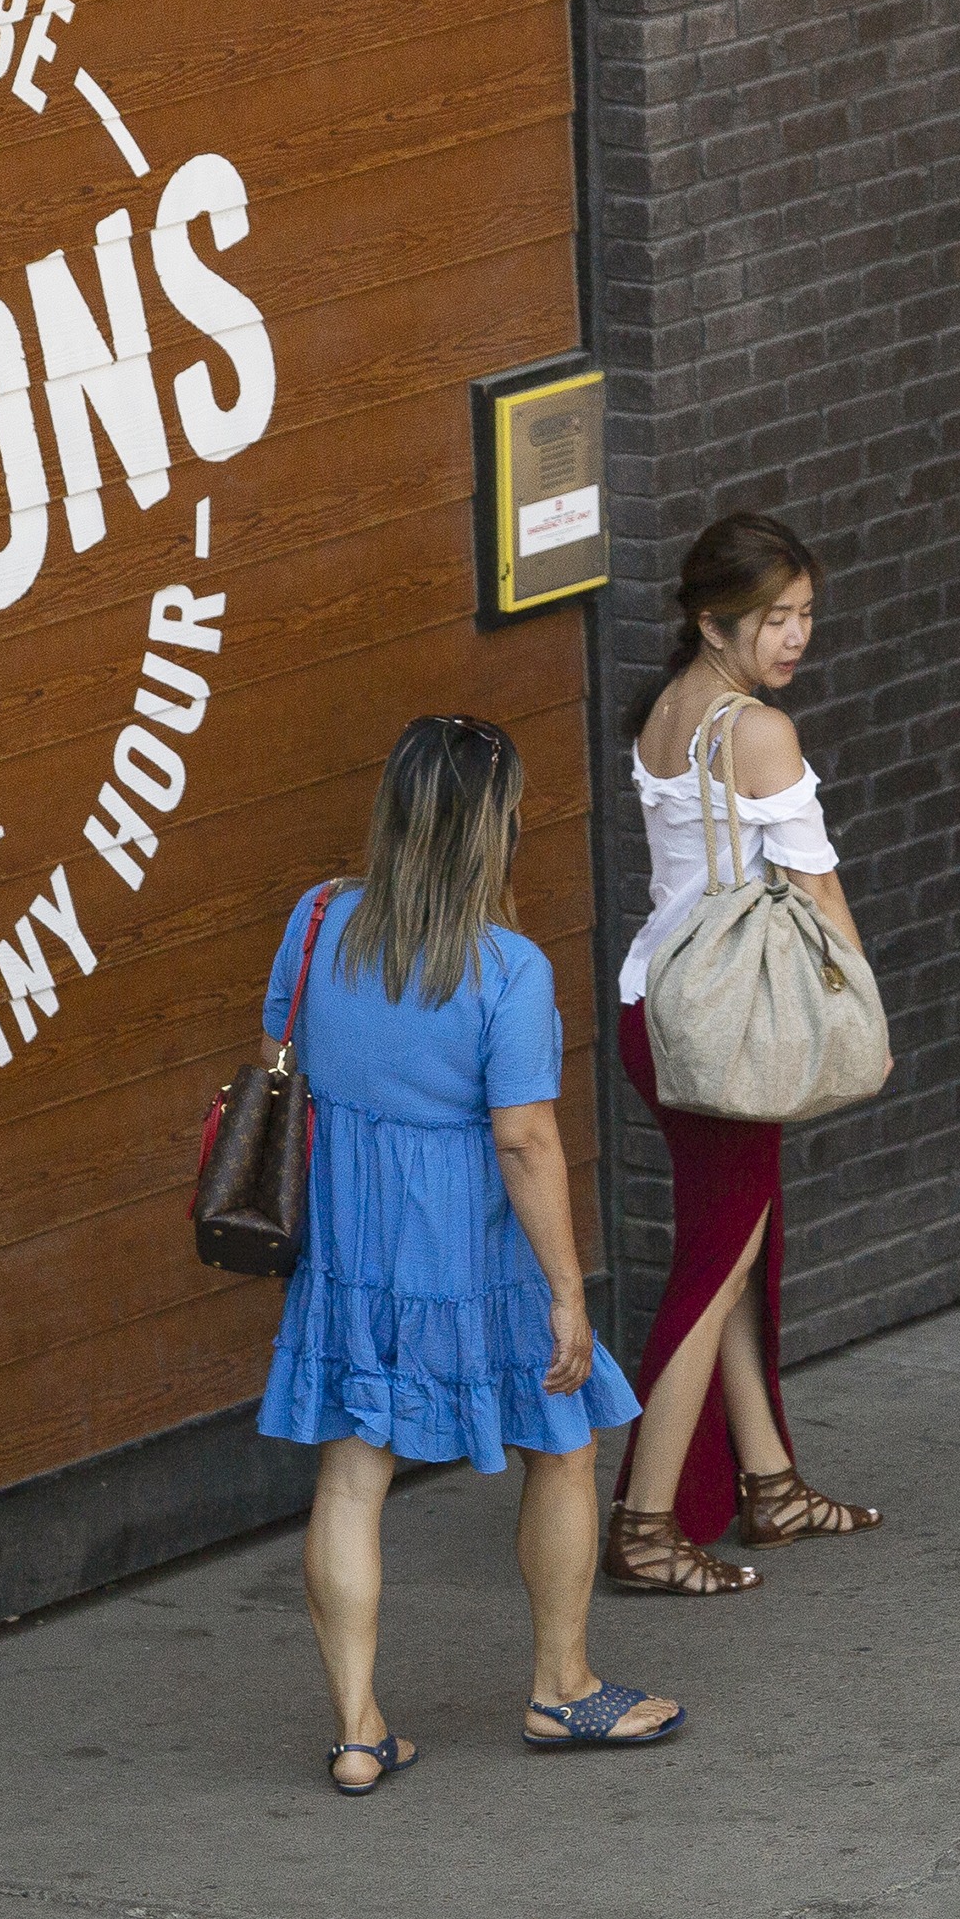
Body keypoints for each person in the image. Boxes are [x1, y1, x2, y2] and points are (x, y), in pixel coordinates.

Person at [256, 715, 679, 1792]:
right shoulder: (508, 970)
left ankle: (357, 1729)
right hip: (473, 1251)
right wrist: (566, 1292)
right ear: (495, 830)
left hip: (353, 1250)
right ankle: (563, 1688)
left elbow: (279, 1066)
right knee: (566, 1439)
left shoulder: (314, 924)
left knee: (353, 1475)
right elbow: (525, 1139)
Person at [608, 512, 888, 1594]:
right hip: (732, 1024)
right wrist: (861, 1012)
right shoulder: (757, 731)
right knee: (713, 1265)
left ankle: (769, 1485)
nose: (795, 637)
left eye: (806, 613)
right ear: (711, 618)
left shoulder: (665, 710)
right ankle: (643, 1522)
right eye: (776, 618)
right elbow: (816, 884)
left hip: (660, 1007)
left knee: (732, 1253)